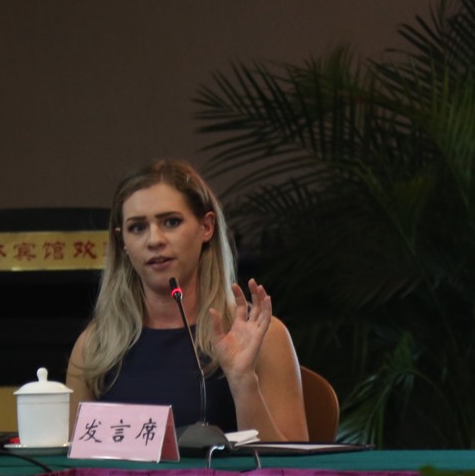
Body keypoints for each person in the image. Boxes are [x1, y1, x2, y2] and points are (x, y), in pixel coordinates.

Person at [66, 159, 308, 442]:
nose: (154, 240)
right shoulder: (95, 346)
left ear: (206, 227)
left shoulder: (262, 336)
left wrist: (243, 382)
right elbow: (73, 459)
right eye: (137, 227)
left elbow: (292, 462)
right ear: (123, 242)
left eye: (171, 222)